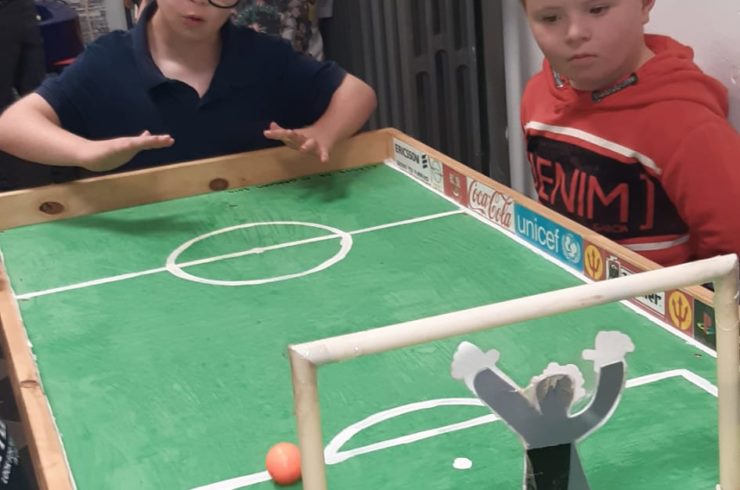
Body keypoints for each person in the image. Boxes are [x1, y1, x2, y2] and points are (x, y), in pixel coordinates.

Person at [0, 0, 376, 175]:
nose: (200, 3)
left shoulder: (264, 55)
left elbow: (357, 93)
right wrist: (86, 152)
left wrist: (323, 133)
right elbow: (12, 125)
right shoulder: (108, 61)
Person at [519, 0, 740, 266]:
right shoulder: (537, 95)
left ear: (644, 5)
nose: (574, 33)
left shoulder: (686, 125)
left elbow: (732, 251)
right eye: (551, 18)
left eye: (597, 9)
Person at [452, 331, 634, 489]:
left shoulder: (534, 427)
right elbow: (602, 403)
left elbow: (505, 399)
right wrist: (611, 362)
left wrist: (479, 372)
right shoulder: (560, 427)